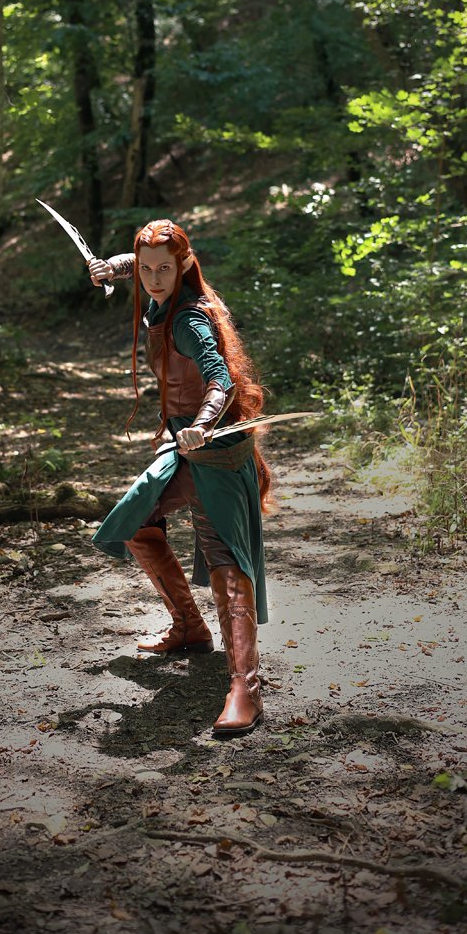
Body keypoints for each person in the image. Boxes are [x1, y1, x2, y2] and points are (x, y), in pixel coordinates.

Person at [87, 219, 271, 736]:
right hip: (185, 445)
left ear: (184, 266)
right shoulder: (158, 293)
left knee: (225, 559)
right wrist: (114, 267)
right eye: (145, 269)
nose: (152, 278)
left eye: (163, 270)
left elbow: (220, 379)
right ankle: (189, 627)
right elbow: (142, 260)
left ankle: (246, 689)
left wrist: (203, 424)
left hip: (214, 450)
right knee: (137, 520)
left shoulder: (189, 320)